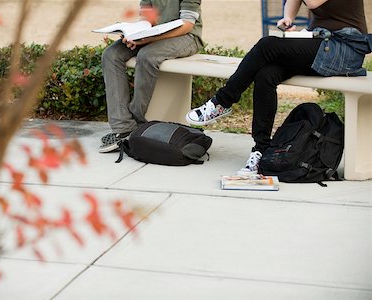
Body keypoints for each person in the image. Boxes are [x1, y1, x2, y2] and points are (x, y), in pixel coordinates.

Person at [185, 0, 371, 175]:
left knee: (267, 45)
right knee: (266, 74)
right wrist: (289, 17)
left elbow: (313, 2)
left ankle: (222, 101)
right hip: (320, 42)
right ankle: (261, 150)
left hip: (345, 49)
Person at [99, 0, 203, 153]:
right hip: (153, 34)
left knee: (147, 56)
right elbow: (147, 18)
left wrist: (149, 40)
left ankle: (138, 121)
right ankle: (123, 127)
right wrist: (134, 35)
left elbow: (187, 24)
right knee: (111, 54)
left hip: (187, 37)